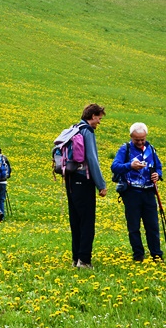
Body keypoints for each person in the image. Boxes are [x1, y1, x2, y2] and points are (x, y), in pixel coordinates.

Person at [111, 122, 164, 262]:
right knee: (134, 226)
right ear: (131, 137)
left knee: (152, 225)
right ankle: (138, 255)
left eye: (142, 139)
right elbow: (115, 166)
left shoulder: (151, 149)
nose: (140, 142)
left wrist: (157, 175)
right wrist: (130, 166)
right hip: (131, 192)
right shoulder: (125, 149)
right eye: (137, 140)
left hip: (148, 192)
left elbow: (158, 167)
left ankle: (156, 254)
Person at [65, 103, 108, 269]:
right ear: (92, 116)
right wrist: (101, 185)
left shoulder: (74, 128)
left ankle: (76, 258)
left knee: (75, 220)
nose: (99, 122)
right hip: (84, 180)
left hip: (70, 179)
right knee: (87, 222)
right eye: (99, 118)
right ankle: (84, 260)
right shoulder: (87, 132)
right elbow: (92, 159)